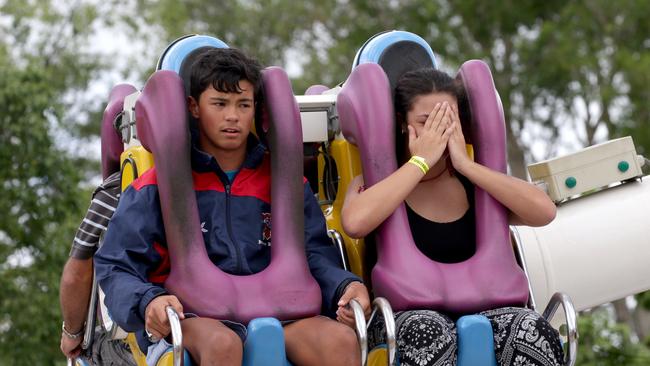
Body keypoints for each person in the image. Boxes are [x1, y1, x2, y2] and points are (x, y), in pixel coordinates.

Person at [95, 47, 370, 366]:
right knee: (222, 345)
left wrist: (345, 285)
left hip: (280, 312)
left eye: (243, 105)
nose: (232, 116)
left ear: (257, 110)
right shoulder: (157, 186)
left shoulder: (286, 183)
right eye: (219, 104)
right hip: (194, 316)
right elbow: (117, 265)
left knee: (338, 342)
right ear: (193, 107)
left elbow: (313, 254)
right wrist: (148, 302)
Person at [341, 68, 564, 366]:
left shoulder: (475, 186)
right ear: (402, 124)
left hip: (488, 305)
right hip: (406, 314)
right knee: (428, 333)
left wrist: (466, 165)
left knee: (530, 329)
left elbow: (544, 212)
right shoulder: (376, 182)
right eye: (426, 122)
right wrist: (421, 161)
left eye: (448, 121)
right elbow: (355, 223)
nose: (439, 131)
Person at [59, 171, 136, 365]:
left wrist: (71, 333)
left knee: (84, 350)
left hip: (142, 340)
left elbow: (77, 274)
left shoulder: (123, 183)